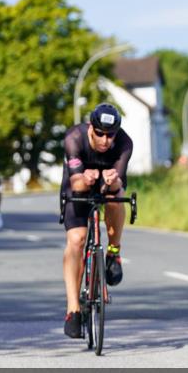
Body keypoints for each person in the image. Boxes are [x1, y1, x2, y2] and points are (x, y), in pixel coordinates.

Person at [60, 103, 133, 339]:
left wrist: (111, 180)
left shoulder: (124, 143)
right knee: (77, 239)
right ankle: (73, 309)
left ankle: (114, 252)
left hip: (106, 185)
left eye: (110, 135)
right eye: (100, 133)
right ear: (91, 127)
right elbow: (77, 184)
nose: (105, 140)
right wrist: (86, 177)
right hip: (78, 186)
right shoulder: (74, 138)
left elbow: (118, 183)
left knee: (116, 197)